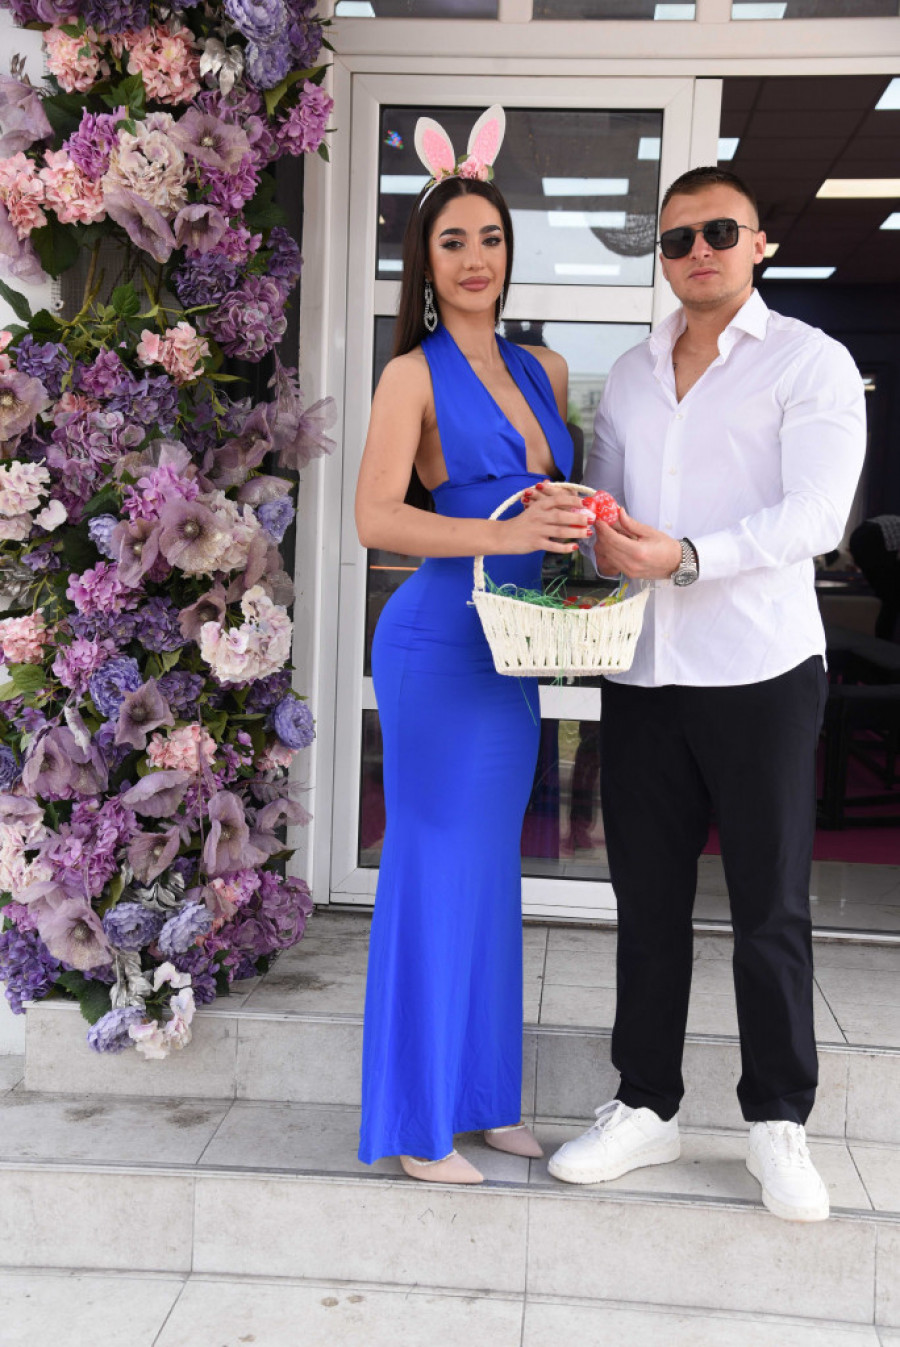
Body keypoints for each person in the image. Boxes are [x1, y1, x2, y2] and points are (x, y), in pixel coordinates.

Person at [545, 166, 866, 1222]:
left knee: (770, 907)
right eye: (677, 238)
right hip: (645, 671)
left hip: (761, 669)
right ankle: (646, 1103)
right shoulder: (632, 374)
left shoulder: (810, 362)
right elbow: (608, 506)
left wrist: (683, 556)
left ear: (759, 243)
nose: (698, 252)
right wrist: (586, 532)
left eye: (719, 231)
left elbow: (816, 515)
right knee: (648, 902)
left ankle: (778, 1120)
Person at [355, 107, 588, 1183]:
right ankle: (416, 1124)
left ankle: (485, 1098)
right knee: (434, 864)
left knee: (491, 870)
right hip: (439, 643)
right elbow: (376, 518)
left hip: (514, 652)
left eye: (490, 237)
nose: (475, 258)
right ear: (427, 258)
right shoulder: (411, 374)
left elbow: (553, 504)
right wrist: (504, 534)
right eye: (452, 241)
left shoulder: (545, 369)